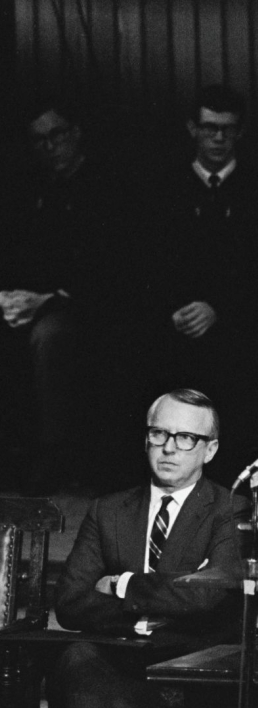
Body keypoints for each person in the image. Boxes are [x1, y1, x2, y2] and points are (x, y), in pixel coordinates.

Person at [45, 389, 247, 708]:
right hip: (112, 672)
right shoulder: (109, 510)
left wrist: (124, 585)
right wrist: (156, 608)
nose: (169, 448)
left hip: (184, 684)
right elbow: (70, 601)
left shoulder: (230, 511)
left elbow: (211, 598)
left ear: (211, 448)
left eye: (186, 437)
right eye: (159, 434)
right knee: (79, 659)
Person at [144, 84, 258, 486]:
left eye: (227, 129)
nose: (218, 138)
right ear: (193, 129)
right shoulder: (163, 189)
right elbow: (144, 267)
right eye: (209, 128)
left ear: (240, 132)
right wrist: (169, 310)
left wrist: (219, 309)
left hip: (236, 328)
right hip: (171, 326)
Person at [0, 99, 131, 492]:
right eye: (39, 139)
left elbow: (109, 268)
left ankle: (54, 452)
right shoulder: (27, 189)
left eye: (57, 135)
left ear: (76, 133)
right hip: (28, 302)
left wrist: (48, 300)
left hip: (81, 305)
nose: (50, 146)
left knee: (51, 336)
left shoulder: (106, 185)